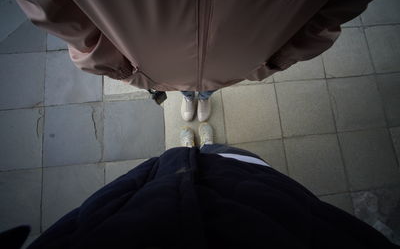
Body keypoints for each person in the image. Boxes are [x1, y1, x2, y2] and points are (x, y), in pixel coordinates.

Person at [1, 123, 398, 249]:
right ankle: (206, 151)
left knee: (201, 162)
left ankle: (196, 153)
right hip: (262, 208)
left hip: (150, 201)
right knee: (235, 162)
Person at [0, 0, 397, 104]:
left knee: (201, 92)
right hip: (153, 63)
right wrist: (120, 65)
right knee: (186, 90)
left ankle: (197, 99)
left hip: (221, 64)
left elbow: (342, 1)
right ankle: (192, 99)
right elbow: (49, 2)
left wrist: (271, 60)